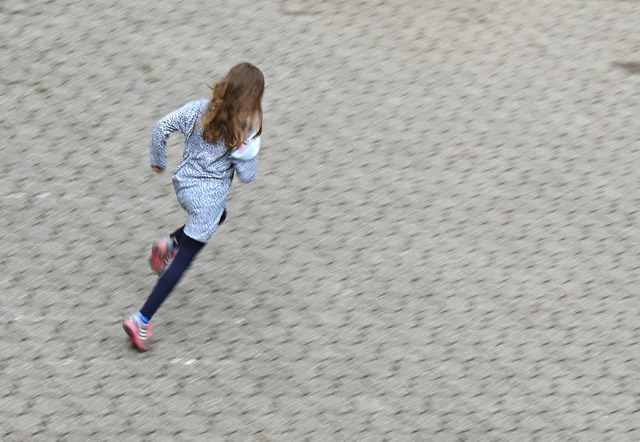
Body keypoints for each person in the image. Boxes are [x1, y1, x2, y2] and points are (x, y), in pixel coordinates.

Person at [123, 62, 265, 351]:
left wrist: (158, 160)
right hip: (207, 201)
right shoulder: (244, 131)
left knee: (220, 216)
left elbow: (161, 126)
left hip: (183, 185)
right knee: (184, 262)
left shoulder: (199, 108)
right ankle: (142, 319)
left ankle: (170, 243)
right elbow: (248, 178)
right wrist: (250, 151)